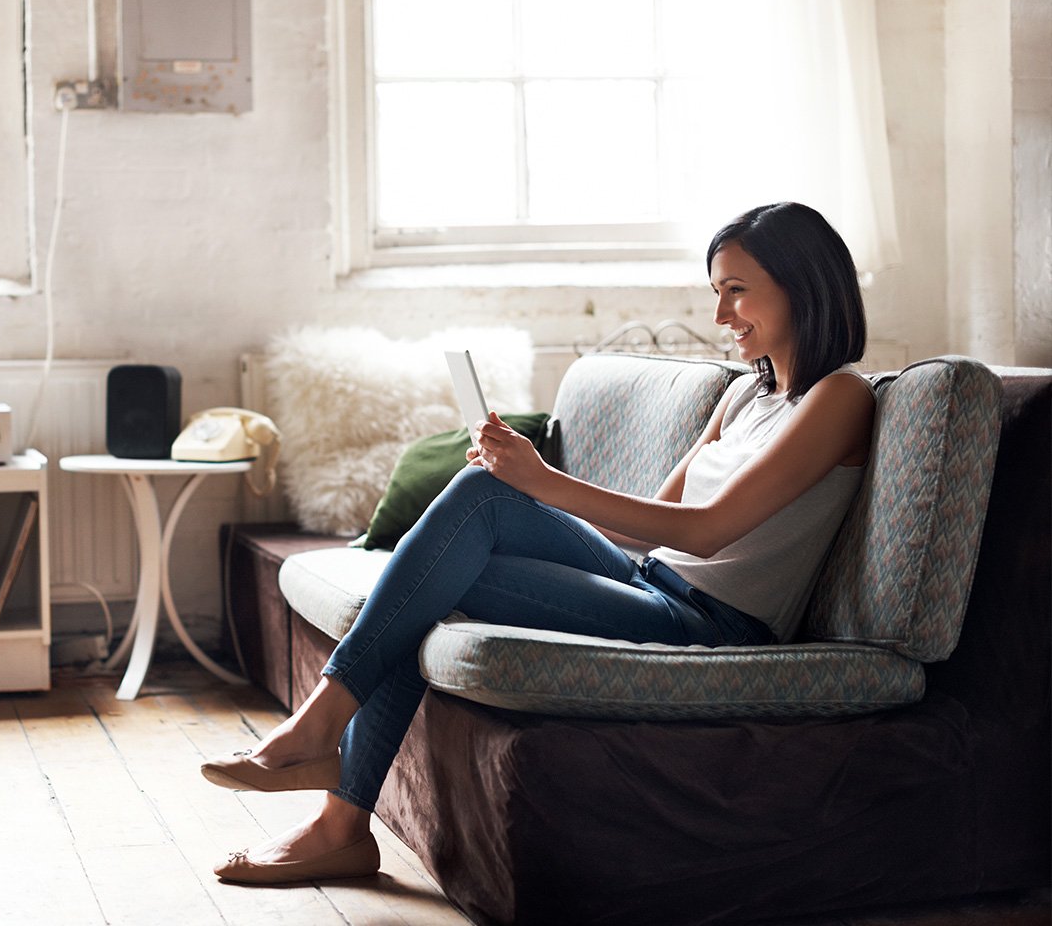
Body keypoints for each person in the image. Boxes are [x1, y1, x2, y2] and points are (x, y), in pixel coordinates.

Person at [200, 201, 876, 885]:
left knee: (450, 560)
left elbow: (708, 531)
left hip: (712, 624)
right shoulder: (743, 397)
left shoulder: (840, 398)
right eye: (715, 292)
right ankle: (333, 798)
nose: (721, 315)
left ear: (802, 283)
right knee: (480, 500)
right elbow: (653, 520)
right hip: (650, 579)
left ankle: (331, 787)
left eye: (736, 290)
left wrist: (546, 481)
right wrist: (524, 484)